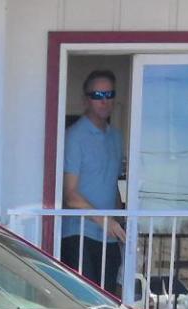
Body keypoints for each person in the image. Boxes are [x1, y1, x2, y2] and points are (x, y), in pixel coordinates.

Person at [61, 69, 126, 293]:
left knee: (107, 305)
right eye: (97, 95)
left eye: (109, 94)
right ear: (85, 100)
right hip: (79, 235)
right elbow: (70, 195)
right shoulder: (74, 136)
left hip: (108, 238)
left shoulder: (116, 137)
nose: (104, 101)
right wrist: (106, 221)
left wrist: (120, 223)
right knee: (85, 304)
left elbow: (113, 186)